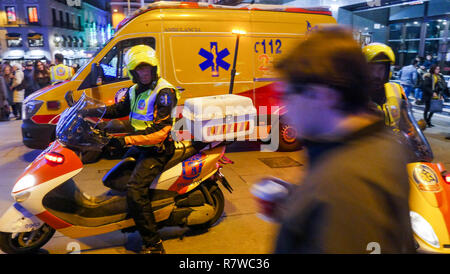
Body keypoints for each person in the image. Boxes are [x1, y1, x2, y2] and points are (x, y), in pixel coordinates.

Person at [273, 26, 415, 254]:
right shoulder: (377, 141)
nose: (285, 107)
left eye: (288, 94)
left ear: (323, 95)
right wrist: (298, 204)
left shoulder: (343, 186)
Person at [82, 45, 180, 254]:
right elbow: (119, 109)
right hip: (141, 145)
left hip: (158, 149)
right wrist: (89, 111)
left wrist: (124, 141)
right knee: (116, 180)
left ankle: (154, 244)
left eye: (147, 69)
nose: (144, 73)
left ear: (154, 69)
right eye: (139, 69)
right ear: (133, 72)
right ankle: (137, 216)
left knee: (136, 191)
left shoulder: (164, 91)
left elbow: (161, 132)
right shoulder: (134, 90)